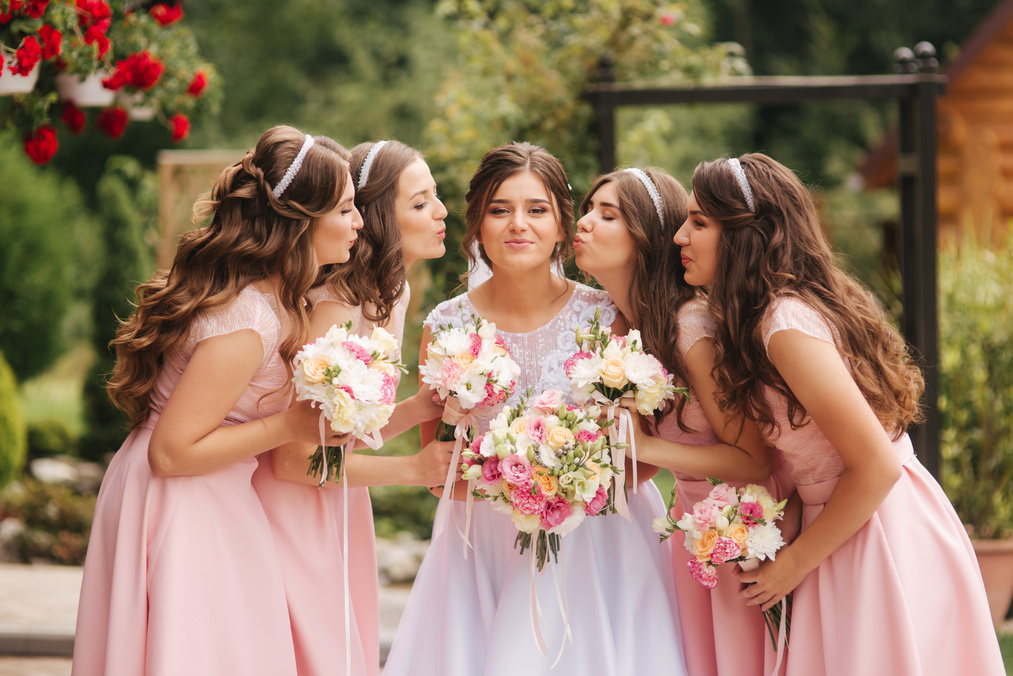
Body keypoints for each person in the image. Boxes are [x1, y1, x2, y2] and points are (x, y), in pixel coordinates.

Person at [675, 152, 1006, 675]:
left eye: (698, 222)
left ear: (747, 233)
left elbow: (877, 465)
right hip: (841, 521)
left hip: (872, 524)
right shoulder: (764, 319)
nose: (679, 237)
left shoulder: (784, 326)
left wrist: (793, 564)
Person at [382, 142, 689, 676]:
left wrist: (573, 482)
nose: (517, 225)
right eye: (499, 210)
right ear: (477, 223)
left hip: (601, 541)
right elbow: (438, 470)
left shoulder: (608, 318)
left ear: (561, 226)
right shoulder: (446, 326)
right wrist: (510, 485)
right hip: (482, 546)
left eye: (536, 209)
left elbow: (649, 457)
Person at [72, 126, 361, 676]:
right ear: (301, 219)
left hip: (213, 490)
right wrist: (290, 426)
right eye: (346, 210)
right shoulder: (246, 320)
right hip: (180, 497)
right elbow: (172, 452)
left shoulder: (276, 300)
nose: (359, 223)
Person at [251, 139, 453, 676]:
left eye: (435, 197)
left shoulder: (393, 291)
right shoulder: (337, 303)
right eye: (420, 202)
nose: (441, 212)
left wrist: (419, 407)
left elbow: (347, 428)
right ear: (378, 217)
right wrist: (411, 470)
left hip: (339, 496)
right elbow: (293, 459)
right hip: (294, 504)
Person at [574, 166, 785, 676]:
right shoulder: (622, 326)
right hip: (689, 522)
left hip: (744, 525)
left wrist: (645, 450)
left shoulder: (690, 325)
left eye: (607, 215)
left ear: (646, 236)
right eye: (587, 210)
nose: (583, 223)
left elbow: (754, 459)